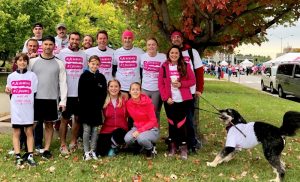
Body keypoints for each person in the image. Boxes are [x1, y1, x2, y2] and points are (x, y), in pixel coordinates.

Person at [28, 35, 68, 159]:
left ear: (54, 46)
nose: (48, 47)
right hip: (36, 99)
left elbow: (63, 82)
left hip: (51, 99)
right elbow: (25, 78)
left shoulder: (59, 63)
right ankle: (29, 150)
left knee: (49, 124)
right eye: (45, 44)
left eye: (50, 44)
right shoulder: (32, 62)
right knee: (32, 125)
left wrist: (63, 101)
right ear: (42, 46)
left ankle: (46, 149)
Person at [158, 45, 196, 160]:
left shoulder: (185, 65)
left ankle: (184, 147)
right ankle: (173, 145)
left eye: (176, 53)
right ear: (168, 54)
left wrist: (181, 84)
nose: (174, 55)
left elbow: (193, 81)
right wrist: (165, 98)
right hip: (170, 100)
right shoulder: (164, 66)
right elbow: (161, 84)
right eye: (172, 53)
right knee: (172, 123)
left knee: (182, 123)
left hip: (183, 99)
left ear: (179, 55)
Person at [170, 30, 204, 151]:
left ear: (182, 39)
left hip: (189, 91)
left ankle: (192, 144)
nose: (176, 39)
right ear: (171, 40)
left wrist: (199, 89)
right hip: (174, 94)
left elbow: (199, 71)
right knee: (176, 119)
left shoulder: (191, 52)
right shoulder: (171, 53)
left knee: (189, 119)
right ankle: (179, 143)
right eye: (174, 37)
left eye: (178, 37)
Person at [57, 32, 88, 154]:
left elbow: (85, 72)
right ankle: (63, 144)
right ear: (69, 40)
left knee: (78, 118)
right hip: (66, 93)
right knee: (64, 119)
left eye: (77, 39)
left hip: (79, 93)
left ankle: (73, 141)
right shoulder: (61, 53)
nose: (74, 41)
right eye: (72, 39)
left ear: (79, 41)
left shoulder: (83, 55)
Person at [6, 53, 38, 166]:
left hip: (28, 109)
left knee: (29, 132)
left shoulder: (32, 76)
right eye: (20, 60)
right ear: (16, 62)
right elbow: (10, 94)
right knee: (16, 132)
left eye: (25, 60)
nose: (22, 62)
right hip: (16, 109)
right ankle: (18, 156)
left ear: (27, 63)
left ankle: (30, 155)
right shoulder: (11, 76)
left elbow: (34, 93)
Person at [78, 55, 107, 160]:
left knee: (95, 130)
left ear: (99, 65)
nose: (95, 66)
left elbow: (104, 93)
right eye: (93, 64)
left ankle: (93, 151)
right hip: (86, 108)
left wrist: (100, 105)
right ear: (89, 64)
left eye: (97, 64)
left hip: (97, 108)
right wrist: (83, 106)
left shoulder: (101, 77)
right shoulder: (83, 76)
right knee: (86, 130)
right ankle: (86, 152)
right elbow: (81, 93)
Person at [124, 82, 159, 159]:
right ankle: (140, 147)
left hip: (151, 128)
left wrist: (140, 131)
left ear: (140, 91)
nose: (135, 91)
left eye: (137, 89)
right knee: (127, 139)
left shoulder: (147, 102)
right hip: (137, 127)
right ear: (129, 92)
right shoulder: (129, 103)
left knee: (141, 138)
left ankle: (150, 148)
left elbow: (153, 121)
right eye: (133, 89)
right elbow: (125, 115)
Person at [96, 79, 128, 157]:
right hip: (107, 130)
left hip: (121, 130)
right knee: (101, 153)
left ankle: (114, 147)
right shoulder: (104, 101)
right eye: (111, 86)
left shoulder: (125, 100)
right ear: (108, 88)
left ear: (120, 88)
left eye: (116, 86)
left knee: (119, 134)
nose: (114, 89)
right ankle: (113, 145)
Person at [140, 38, 166, 124]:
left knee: (155, 113)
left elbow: (166, 73)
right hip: (145, 88)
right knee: (144, 112)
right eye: (149, 45)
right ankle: (144, 133)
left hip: (157, 90)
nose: (151, 46)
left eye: (153, 44)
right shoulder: (142, 57)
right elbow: (140, 71)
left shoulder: (163, 57)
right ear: (146, 46)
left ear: (157, 46)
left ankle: (155, 133)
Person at [113, 30, 144, 98]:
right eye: (125, 38)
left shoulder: (140, 52)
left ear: (132, 39)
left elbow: (143, 70)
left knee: (134, 108)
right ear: (122, 39)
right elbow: (114, 69)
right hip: (121, 86)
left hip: (135, 87)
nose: (127, 40)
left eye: (129, 38)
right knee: (122, 107)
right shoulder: (117, 52)